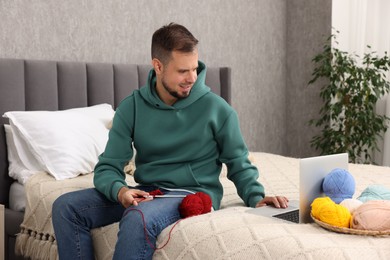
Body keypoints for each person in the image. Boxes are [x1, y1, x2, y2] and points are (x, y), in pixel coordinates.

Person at [52, 22, 289, 260]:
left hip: (192, 193)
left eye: (195, 69)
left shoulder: (218, 109)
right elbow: (108, 167)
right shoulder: (132, 107)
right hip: (149, 191)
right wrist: (120, 190)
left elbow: (239, 163)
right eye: (183, 71)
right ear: (158, 66)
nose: (192, 78)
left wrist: (257, 196)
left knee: (138, 217)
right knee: (66, 207)